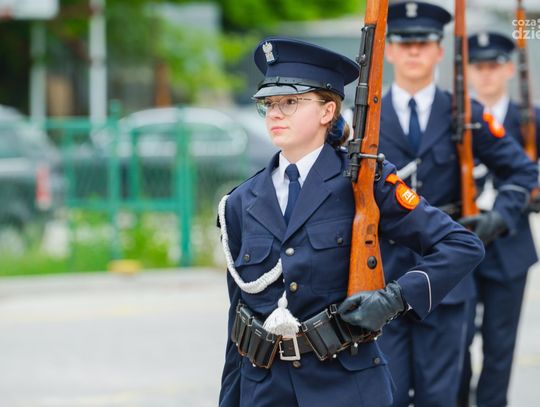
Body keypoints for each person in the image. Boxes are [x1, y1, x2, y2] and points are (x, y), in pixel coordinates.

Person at [218, 36, 486, 407]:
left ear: (327, 111)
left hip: (344, 386)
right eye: (269, 103)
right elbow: (239, 325)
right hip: (263, 389)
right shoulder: (240, 202)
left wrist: (394, 299)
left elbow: (461, 245)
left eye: (290, 102)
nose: (275, 113)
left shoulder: (363, 183)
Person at [376, 3, 539, 407]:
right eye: (404, 43)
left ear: (439, 50)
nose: (414, 51)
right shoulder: (367, 116)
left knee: (441, 396)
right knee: (386, 395)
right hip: (383, 271)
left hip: (445, 274)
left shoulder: (464, 112)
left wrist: (500, 216)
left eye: (424, 42)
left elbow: (522, 171)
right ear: (389, 50)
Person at [457, 31, 540, 407]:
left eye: (494, 66)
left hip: (510, 244)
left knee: (500, 345)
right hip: (462, 240)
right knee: (456, 341)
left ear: (508, 69)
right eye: (479, 66)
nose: (486, 74)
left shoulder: (530, 119)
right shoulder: (456, 114)